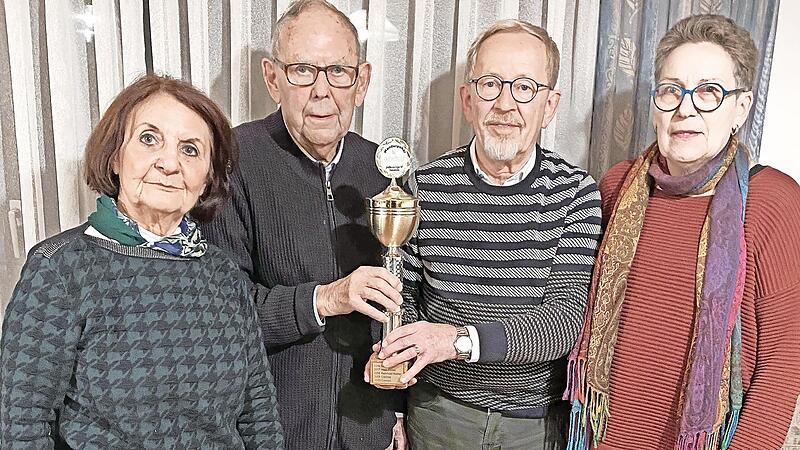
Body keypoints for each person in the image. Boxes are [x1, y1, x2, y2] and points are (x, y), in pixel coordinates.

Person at [0, 74, 284, 449]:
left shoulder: (223, 274)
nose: (169, 163)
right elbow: (22, 425)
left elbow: (259, 416)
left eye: (190, 150)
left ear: (207, 177)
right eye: (149, 139)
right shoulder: (60, 268)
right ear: (115, 157)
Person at [565, 14, 800, 450]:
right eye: (672, 90)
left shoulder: (773, 200)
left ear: (741, 108)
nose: (685, 108)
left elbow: (783, 361)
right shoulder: (618, 185)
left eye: (709, 91)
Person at [369, 20, 602, 450]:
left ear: (550, 105)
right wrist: (394, 408)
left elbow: (565, 322)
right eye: (491, 84)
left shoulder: (575, 192)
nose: (505, 104)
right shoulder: (424, 186)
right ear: (467, 99)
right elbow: (403, 301)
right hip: (437, 413)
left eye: (525, 88)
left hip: (532, 425)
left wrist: (457, 341)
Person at [201, 1, 405, 449]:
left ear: (362, 82)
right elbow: (220, 314)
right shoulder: (232, 162)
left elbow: (406, 299)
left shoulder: (384, 172)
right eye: (302, 71)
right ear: (272, 78)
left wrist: (397, 409)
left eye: (338, 71)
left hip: (367, 431)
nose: (322, 90)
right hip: (269, 434)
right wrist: (326, 298)